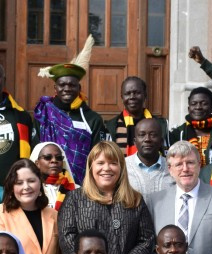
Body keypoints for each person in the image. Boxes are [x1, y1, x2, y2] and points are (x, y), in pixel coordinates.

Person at [57, 141, 155, 254]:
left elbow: (147, 240)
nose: (107, 168)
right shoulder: (74, 198)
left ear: (121, 168)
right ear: (91, 167)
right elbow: (67, 239)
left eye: (113, 163)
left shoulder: (135, 199)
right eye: (100, 163)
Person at [35, 37, 110, 184]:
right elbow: (35, 150)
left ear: (79, 88)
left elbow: (98, 156)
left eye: (72, 85)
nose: (67, 88)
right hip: (46, 186)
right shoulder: (43, 114)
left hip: (83, 186)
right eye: (62, 85)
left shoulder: (92, 119)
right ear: (55, 88)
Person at [107, 76, 169, 156]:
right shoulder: (111, 126)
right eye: (127, 94)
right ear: (122, 98)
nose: (132, 97)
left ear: (145, 95)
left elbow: (168, 154)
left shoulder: (160, 124)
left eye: (137, 93)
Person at [167, 87, 212, 167]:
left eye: (204, 103)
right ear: (189, 108)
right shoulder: (178, 133)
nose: (198, 107)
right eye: (194, 104)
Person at [125, 118, 174, 196]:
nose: (147, 139)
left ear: (161, 141)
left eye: (153, 135)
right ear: (135, 142)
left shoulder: (173, 167)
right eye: (142, 135)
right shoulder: (122, 166)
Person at [29, 141, 78, 211]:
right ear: (37, 163)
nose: (54, 160)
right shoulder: (28, 189)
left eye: (59, 158)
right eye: (48, 157)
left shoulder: (77, 190)